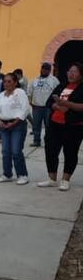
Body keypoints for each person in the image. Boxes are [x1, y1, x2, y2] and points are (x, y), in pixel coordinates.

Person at [38, 62, 83, 191]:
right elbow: (49, 102)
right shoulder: (61, 85)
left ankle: (65, 179)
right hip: (54, 124)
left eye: (74, 71)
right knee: (51, 150)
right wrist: (58, 106)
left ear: (81, 74)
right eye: (69, 71)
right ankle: (52, 178)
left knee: (70, 152)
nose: (71, 73)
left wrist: (66, 104)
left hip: (73, 126)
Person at [0, 71, 30, 184]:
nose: (6, 84)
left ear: (15, 83)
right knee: (5, 151)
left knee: (16, 151)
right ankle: (7, 174)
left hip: (17, 125)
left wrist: (14, 123)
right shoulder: (1, 95)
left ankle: (22, 175)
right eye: (4, 81)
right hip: (4, 125)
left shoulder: (20, 93)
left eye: (9, 81)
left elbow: (25, 109)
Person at [28, 62, 59, 147]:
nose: (44, 70)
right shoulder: (35, 80)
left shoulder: (54, 80)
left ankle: (48, 141)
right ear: (41, 69)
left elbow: (58, 93)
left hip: (48, 108)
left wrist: (55, 104)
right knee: (36, 125)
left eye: (46, 69)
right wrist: (30, 102)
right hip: (36, 107)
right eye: (43, 68)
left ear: (49, 71)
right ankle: (36, 141)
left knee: (48, 126)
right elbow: (29, 92)